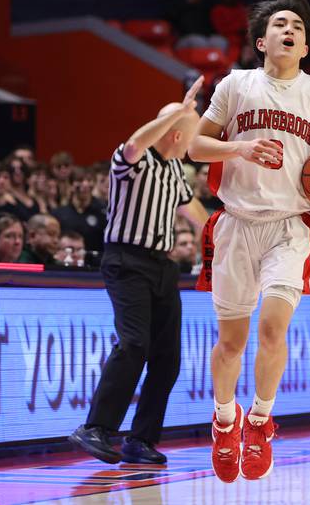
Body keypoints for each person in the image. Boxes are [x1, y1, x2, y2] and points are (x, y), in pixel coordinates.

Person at [188, 0, 310, 483]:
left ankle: (260, 419)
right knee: (231, 343)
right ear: (261, 40)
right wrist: (241, 147)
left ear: (306, 46)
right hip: (236, 223)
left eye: (297, 26)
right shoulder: (236, 85)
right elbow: (195, 146)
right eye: (279, 24)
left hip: (289, 227)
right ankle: (224, 419)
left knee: (273, 327)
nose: (288, 29)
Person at [69, 76, 207, 466]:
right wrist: (179, 112)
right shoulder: (133, 161)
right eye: (191, 136)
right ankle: (95, 427)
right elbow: (134, 144)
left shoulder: (177, 173)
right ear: (178, 136)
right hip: (127, 261)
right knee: (134, 344)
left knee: (168, 358)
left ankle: (140, 439)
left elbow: (196, 214)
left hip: (163, 266)